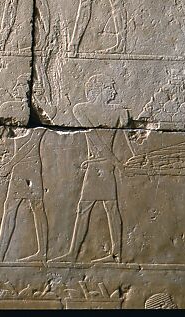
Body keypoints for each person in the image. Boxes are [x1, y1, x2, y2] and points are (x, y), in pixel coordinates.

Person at [53, 75, 131, 263]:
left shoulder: (115, 111)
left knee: (104, 209)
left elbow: (124, 141)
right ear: (99, 90)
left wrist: (121, 160)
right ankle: (76, 253)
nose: (114, 92)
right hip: (101, 166)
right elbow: (95, 137)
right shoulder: (84, 109)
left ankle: (114, 253)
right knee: (98, 208)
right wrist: (115, 161)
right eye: (110, 88)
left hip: (99, 167)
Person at [0, 129, 48, 261]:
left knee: (37, 207)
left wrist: (9, 165)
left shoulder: (37, 130)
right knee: (10, 208)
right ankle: (0, 253)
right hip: (19, 169)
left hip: (31, 168)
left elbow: (31, 143)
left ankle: (42, 253)